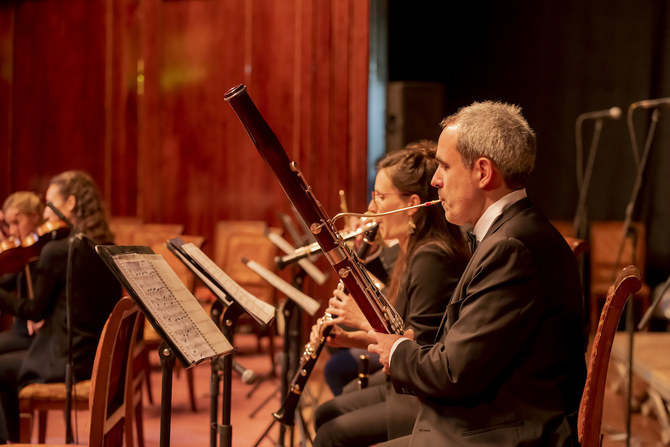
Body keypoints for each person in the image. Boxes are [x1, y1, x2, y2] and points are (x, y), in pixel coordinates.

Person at [368, 101, 586, 446]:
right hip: (488, 416)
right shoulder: (512, 232)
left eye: (444, 166)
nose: (436, 180)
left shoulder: (511, 247)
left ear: (483, 172)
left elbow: (454, 373)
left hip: (504, 431)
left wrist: (396, 351)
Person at [312, 142, 471, 447]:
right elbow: (404, 333)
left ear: (412, 204)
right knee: (327, 414)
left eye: (380, 198)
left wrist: (362, 322)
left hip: (421, 400)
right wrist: (351, 339)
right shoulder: (414, 251)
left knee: (330, 431)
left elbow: (417, 348)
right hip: (408, 386)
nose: (371, 210)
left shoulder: (431, 258)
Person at [0, 171, 122, 443]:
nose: (45, 214)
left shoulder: (60, 250)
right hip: (96, 358)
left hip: (68, 361)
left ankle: (11, 443)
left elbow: (35, 310)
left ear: (70, 203)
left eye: (50, 203)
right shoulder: (105, 246)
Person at [0, 192, 45, 354]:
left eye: (16, 222)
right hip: (20, 332)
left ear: (35, 216)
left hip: (34, 337)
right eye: (8, 224)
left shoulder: (45, 254)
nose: (12, 231)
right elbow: (6, 282)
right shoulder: (23, 253)